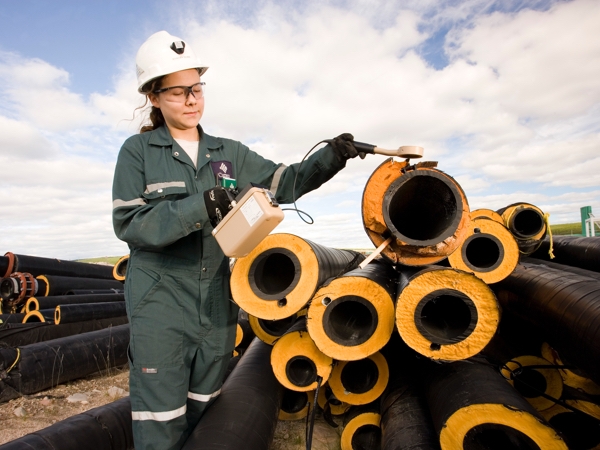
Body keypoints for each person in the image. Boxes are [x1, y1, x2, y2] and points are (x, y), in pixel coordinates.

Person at [112, 30, 363, 450]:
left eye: (196, 88)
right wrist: (200, 204)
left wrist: (332, 156)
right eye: (177, 92)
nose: (192, 100)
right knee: (160, 424)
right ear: (153, 97)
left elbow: (286, 181)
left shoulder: (228, 153)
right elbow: (131, 224)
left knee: (205, 414)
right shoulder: (138, 152)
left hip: (216, 305)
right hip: (160, 304)